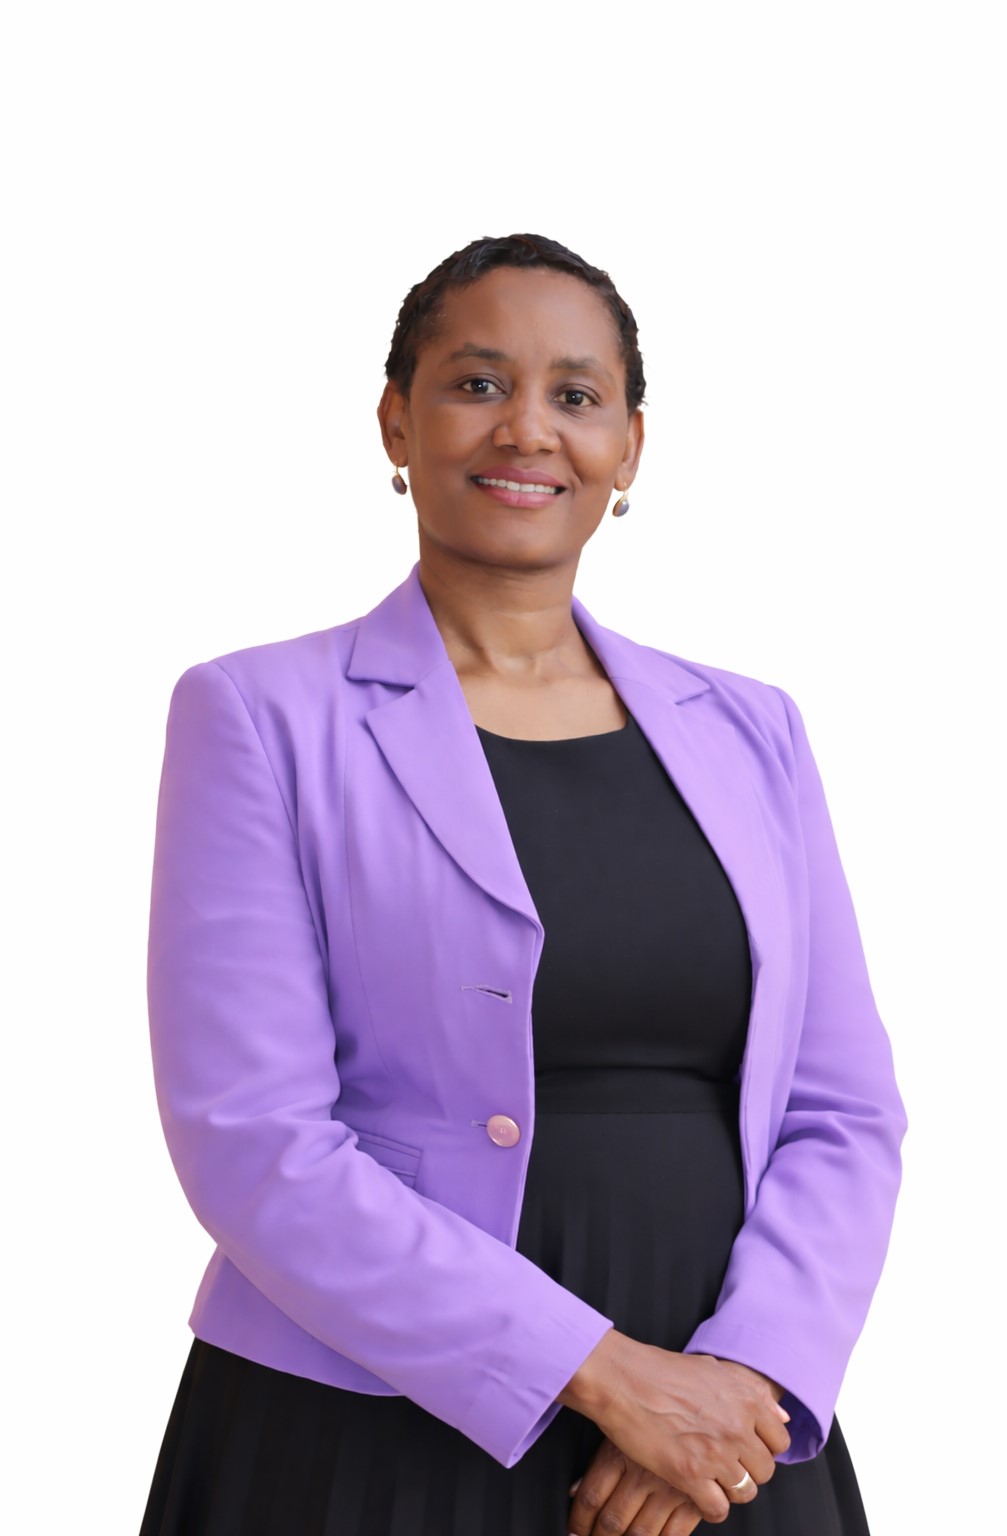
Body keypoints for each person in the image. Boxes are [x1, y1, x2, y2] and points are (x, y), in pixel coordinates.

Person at [139, 233, 907, 1535]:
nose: (528, 429)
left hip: (722, 1437)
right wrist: (609, 1379)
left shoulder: (751, 730)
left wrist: (744, 1376)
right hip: (368, 1417)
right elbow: (252, 1135)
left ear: (630, 446)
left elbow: (845, 1111)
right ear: (397, 420)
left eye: (576, 394)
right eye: (478, 383)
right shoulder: (260, 717)